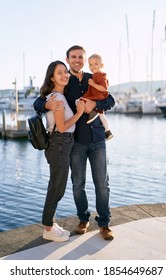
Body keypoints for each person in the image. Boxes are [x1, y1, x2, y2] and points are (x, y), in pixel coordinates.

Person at [34, 45, 115, 241]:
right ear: (68, 59)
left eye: (81, 57)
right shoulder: (63, 81)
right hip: (75, 142)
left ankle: (104, 224)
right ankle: (83, 219)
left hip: (97, 140)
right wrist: (46, 104)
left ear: (85, 60)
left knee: (102, 184)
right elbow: (38, 102)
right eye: (73, 57)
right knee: (78, 184)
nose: (77, 60)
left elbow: (110, 100)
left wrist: (95, 104)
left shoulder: (92, 77)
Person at [40, 60, 85, 242]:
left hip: (61, 144)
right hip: (60, 143)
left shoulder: (59, 95)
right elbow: (62, 126)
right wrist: (80, 112)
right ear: (52, 77)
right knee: (57, 187)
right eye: (60, 73)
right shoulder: (57, 98)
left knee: (57, 185)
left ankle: (50, 223)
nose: (65, 75)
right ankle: (48, 228)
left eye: (65, 72)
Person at [78, 53, 113, 140]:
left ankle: (93, 112)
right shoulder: (92, 76)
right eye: (90, 64)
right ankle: (108, 131)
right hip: (94, 96)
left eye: (96, 64)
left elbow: (104, 88)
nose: (93, 66)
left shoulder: (102, 75)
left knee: (81, 101)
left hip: (98, 96)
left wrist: (93, 84)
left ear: (102, 65)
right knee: (101, 115)